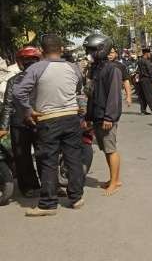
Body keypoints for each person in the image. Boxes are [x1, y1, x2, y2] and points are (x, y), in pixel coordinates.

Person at [13, 34, 85, 216]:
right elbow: (79, 91)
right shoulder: (73, 67)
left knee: (48, 161)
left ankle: (48, 204)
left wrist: (28, 110)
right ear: (61, 49)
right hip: (71, 118)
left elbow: (19, 92)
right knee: (74, 158)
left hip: (48, 119)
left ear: (42, 50)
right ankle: (76, 197)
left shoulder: (37, 68)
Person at [83, 34, 123, 196]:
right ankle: (113, 179)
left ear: (101, 50)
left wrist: (109, 117)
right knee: (106, 149)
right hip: (97, 115)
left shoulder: (112, 69)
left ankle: (115, 182)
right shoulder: (95, 69)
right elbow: (91, 95)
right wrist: (88, 117)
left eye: (92, 50)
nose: (89, 53)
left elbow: (114, 95)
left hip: (106, 117)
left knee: (110, 149)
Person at [0, 46, 42, 197]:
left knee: (43, 155)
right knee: (22, 157)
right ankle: (29, 187)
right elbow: (8, 104)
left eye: (32, 60)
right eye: (26, 60)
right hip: (20, 123)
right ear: (20, 62)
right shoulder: (13, 81)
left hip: (39, 122)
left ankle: (49, 185)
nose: (29, 63)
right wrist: (3, 128)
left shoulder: (43, 79)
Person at [137, 48, 152, 115]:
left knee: (142, 96)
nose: (150, 54)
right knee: (149, 95)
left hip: (141, 80)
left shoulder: (139, 61)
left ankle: (143, 111)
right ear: (146, 53)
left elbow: (138, 71)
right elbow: (150, 71)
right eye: (149, 53)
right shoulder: (147, 61)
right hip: (147, 80)